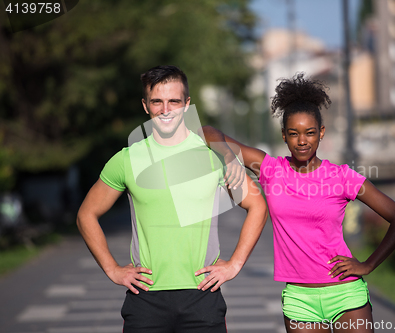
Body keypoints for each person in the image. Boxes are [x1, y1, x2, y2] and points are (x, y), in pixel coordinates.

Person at [200, 73, 395, 333]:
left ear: (321, 133)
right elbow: (209, 133)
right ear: (284, 136)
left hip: (346, 294)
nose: (302, 141)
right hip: (299, 300)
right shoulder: (270, 169)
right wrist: (229, 156)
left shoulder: (342, 176)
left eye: (310, 133)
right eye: (294, 133)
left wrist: (368, 265)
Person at [76, 65, 267, 333]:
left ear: (187, 105)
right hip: (145, 300)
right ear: (146, 106)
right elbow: (86, 214)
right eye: (157, 102)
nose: (166, 110)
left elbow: (257, 205)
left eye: (174, 101)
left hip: (202, 296)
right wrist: (112, 269)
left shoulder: (214, 156)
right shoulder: (126, 159)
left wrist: (235, 264)